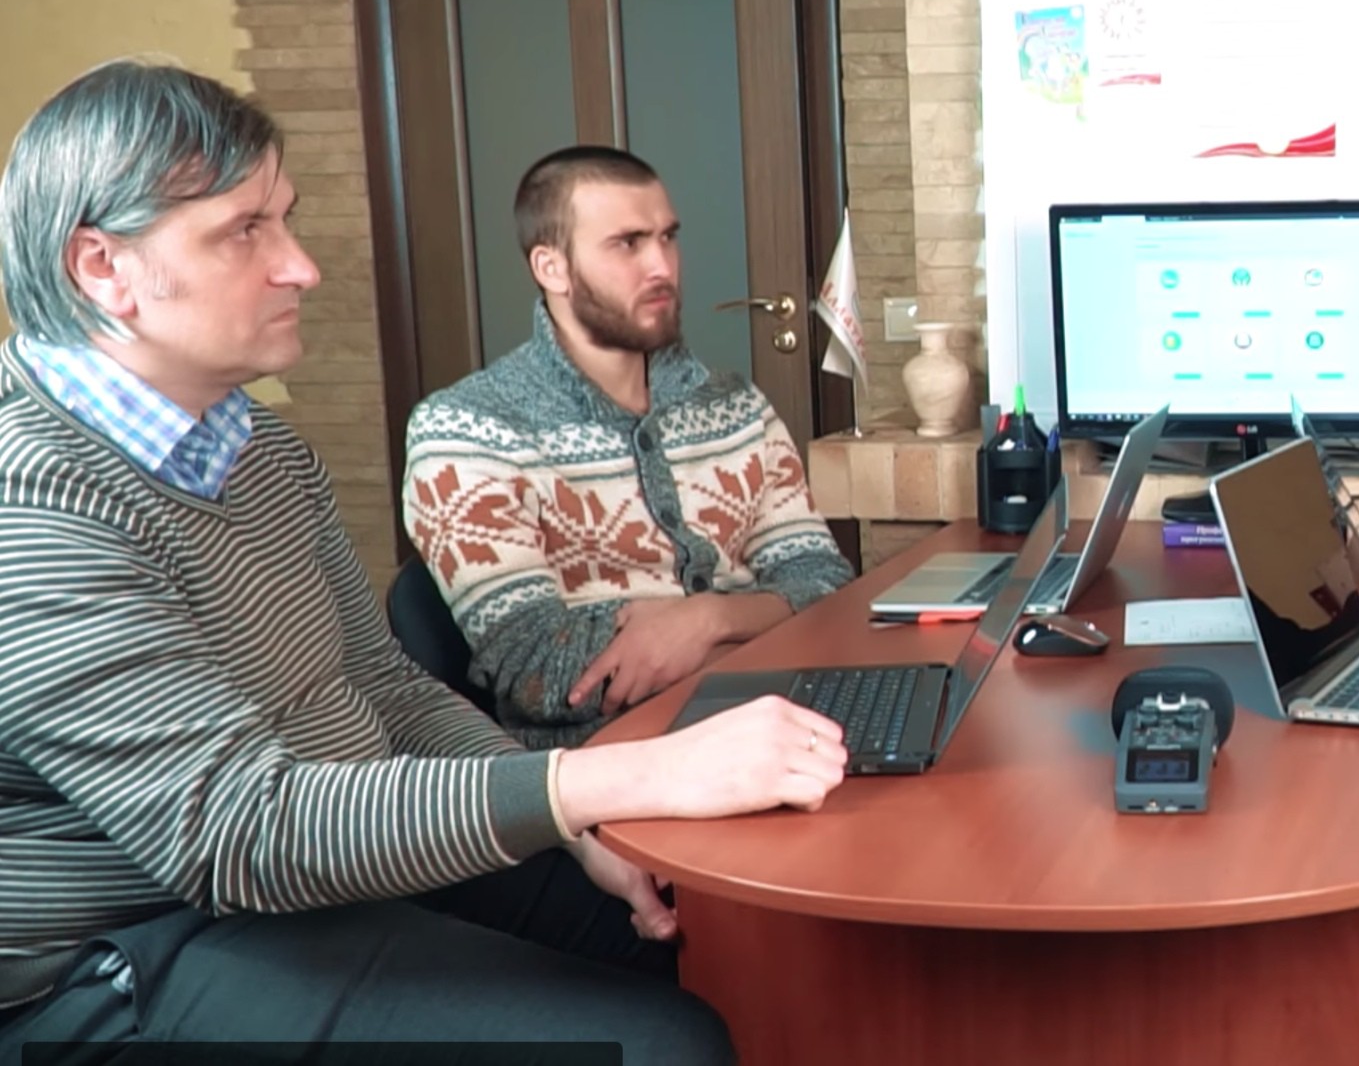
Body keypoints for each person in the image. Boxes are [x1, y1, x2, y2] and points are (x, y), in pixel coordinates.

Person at [0, 59, 852, 1061]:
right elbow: (235, 833)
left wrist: (565, 824)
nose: (301, 267)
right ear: (102, 267)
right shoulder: (35, 506)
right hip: (124, 954)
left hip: (328, 861)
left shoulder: (263, 451)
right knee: (665, 1045)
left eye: (285, 221)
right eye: (244, 230)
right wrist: (600, 784)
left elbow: (384, 686)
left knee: (725, 943)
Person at [402, 145, 851, 749]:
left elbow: (825, 584)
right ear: (551, 268)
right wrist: (767, 629)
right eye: (627, 243)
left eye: (668, 237)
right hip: (612, 761)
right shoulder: (465, 429)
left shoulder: (735, 405)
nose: (661, 265)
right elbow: (539, 669)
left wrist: (705, 620)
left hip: (790, 719)